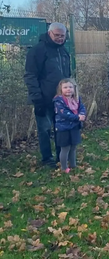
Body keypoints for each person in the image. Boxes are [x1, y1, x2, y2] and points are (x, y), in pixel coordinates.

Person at [24, 22, 71, 168]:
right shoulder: (37, 51)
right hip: (43, 99)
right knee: (44, 130)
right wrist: (37, 98)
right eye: (56, 35)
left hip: (61, 100)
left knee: (61, 129)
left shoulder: (64, 52)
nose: (59, 38)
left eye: (62, 36)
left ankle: (60, 156)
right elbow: (30, 76)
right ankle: (46, 159)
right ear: (49, 33)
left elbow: (68, 75)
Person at [53, 78, 86, 173]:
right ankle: (64, 167)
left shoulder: (77, 98)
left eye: (70, 87)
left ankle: (73, 165)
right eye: (65, 87)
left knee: (73, 146)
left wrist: (82, 114)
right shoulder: (58, 101)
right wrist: (77, 117)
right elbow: (64, 113)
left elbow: (82, 108)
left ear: (74, 88)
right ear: (61, 89)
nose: (68, 89)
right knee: (65, 148)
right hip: (63, 128)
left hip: (74, 127)